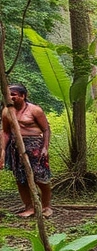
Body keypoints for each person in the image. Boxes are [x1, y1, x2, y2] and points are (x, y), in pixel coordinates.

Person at [1, 84, 53, 217]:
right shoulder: (6, 111)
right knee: (20, 178)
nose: (10, 97)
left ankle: (46, 207)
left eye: (14, 95)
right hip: (15, 147)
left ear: (23, 96)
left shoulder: (35, 110)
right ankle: (29, 207)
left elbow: (46, 129)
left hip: (35, 146)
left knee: (41, 177)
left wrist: (45, 148)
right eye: (8, 94)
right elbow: (6, 132)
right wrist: (3, 150)